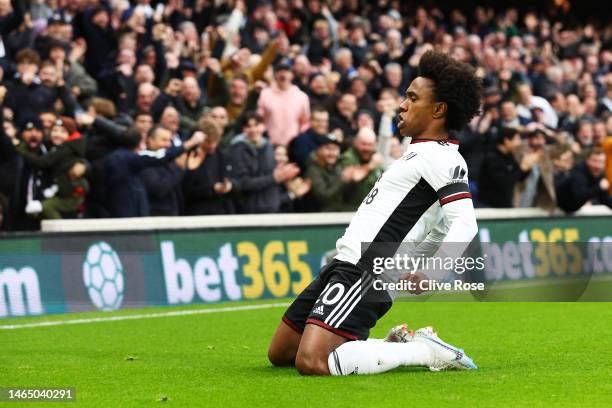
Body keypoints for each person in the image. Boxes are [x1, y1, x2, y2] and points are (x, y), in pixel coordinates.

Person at [267, 51, 482, 376]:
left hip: (366, 271)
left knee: (312, 362)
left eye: (412, 98)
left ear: (438, 109)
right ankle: (388, 346)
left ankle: (424, 350)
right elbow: (436, 229)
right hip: (344, 263)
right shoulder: (415, 152)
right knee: (281, 353)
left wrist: (432, 273)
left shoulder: (443, 158)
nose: (402, 104)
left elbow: (464, 223)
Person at [103, 126, 204, 218]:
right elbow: (159, 188)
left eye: (169, 140)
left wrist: (186, 168)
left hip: (170, 215)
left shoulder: (169, 162)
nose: (168, 144)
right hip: (153, 217)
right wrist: (180, 166)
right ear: (149, 140)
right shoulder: (139, 161)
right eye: (164, 140)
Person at [14, 116, 88, 219]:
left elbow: (42, 162)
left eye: (62, 131)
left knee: (47, 207)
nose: (57, 134)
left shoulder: (65, 149)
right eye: (55, 130)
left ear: (70, 134)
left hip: (69, 193)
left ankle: (59, 232)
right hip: (58, 191)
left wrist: (19, 149)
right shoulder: (54, 147)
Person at [227, 112, 300, 213]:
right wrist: (273, 178)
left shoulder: (269, 147)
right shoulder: (238, 150)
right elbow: (242, 183)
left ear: (263, 126)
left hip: (272, 208)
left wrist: (285, 177)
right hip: (250, 211)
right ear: (243, 129)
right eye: (248, 126)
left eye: (256, 125)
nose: (253, 130)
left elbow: (273, 178)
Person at [182, 119, 234, 215]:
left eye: (215, 141)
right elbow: (185, 190)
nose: (212, 146)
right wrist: (212, 189)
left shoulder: (222, 155)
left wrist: (228, 186)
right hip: (194, 213)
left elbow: (232, 179)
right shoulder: (188, 155)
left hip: (219, 211)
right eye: (208, 142)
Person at [257, 59, 310, 146]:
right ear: (275, 75)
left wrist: (299, 139)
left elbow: (305, 122)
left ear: (292, 75)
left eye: (286, 71)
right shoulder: (264, 94)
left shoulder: (301, 97)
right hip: (269, 143)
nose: (283, 74)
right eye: (279, 71)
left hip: (292, 145)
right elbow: (260, 118)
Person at [478, 127, 530, 208]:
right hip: (489, 206)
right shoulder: (491, 158)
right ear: (506, 141)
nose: (519, 143)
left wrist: (527, 167)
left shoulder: (509, 156)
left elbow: (519, 177)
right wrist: (522, 168)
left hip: (505, 203)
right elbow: (504, 181)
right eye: (516, 139)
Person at [340, 127, 384, 210]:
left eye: (370, 144)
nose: (367, 148)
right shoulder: (348, 157)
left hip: (373, 208)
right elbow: (356, 176)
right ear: (356, 142)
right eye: (363, 144)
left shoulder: (376, 156)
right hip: (351, 209)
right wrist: (371, 165)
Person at [556, 148, 612, 213]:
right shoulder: (578, 172)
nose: (598, 165)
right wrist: (599, 188)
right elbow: (579, 196)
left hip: (572, 210)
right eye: (595, 161)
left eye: (601, 162)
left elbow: (605, 199)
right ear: (587, 160)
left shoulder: (599, 175)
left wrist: (600, 188)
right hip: (557, 210)